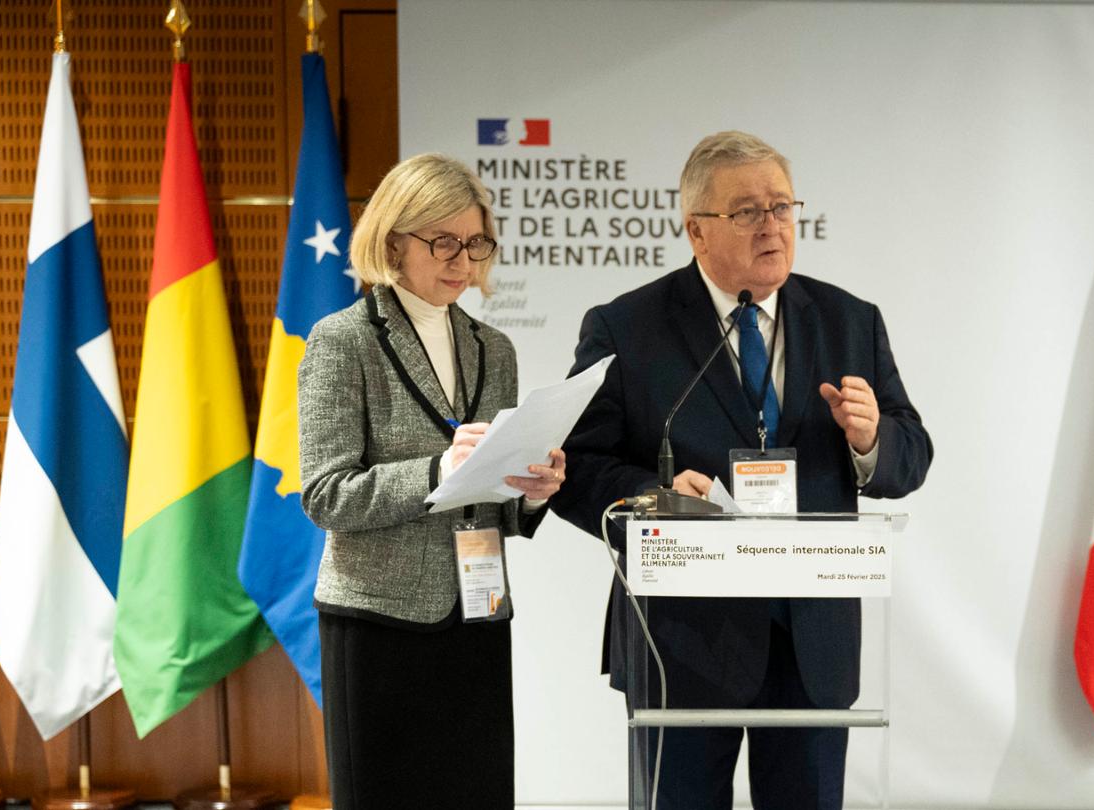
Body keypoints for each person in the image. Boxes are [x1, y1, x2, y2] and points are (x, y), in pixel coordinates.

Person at [550, 130, 933, 809]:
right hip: (682, 640)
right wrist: (653, 495)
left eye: (783, 207)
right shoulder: (625, 328)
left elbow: (912, 454)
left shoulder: (849, 321)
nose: (773, 226)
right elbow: (577, 468)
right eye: (749, 211)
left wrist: (871, 441)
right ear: (696, 230)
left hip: (811, 638)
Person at [298, 153, 565, 809]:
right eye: (443, 242)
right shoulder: (343, 341)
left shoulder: (491, 348)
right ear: (394, 242)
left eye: (475, 243)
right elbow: (326, 495)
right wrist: (436, 470)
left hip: (477, 613)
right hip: (378, 622)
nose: (462, 260)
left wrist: (530, 494)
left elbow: (492, 500)